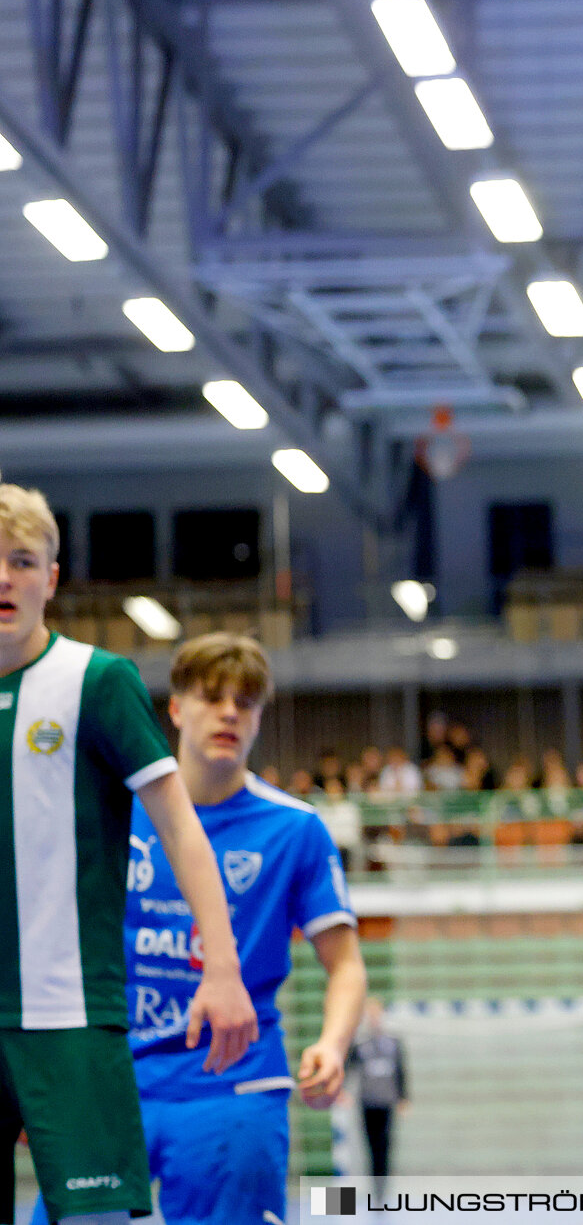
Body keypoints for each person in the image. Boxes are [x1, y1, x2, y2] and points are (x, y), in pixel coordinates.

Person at [31, 632, 366, 1225]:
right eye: (213, 697)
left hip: (232, 1087)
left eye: (247, 701)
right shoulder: (109, 813)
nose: (230, 712)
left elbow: (345, 965)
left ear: (261, 718)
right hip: (109, 1082)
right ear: (177, 709)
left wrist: (332, 1044)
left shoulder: (296, 829)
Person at [0, 478, 256, 1225]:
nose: (2, 578)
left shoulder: (96, 682)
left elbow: (181, 829)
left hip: (70, 1016)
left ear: (51, 578)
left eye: (20, 561)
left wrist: (224, 968)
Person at [349, 998, 408, 1194]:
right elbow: (347, 1068)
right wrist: (340, 1091)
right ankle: (373, 1188)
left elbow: (401, 1071)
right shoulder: (360, 1044)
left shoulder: (393, 1043)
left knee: (385, 1144)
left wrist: (403, 1097)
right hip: (367, 1101)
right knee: (370, 1145)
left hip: (386, 1101)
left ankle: (383, 1188)